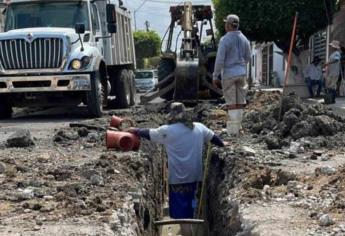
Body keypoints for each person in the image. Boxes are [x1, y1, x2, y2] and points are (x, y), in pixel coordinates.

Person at [129, 102, 225, 236]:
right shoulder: (199, 127)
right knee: (191, 205)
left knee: (182, 215)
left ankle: (187, 233)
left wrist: (135, 130)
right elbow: (215, 139)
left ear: (172, 116)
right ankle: (191, 229)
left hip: (178, 180)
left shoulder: (167, 131)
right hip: (196, 177)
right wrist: (224, 145)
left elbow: (149, 133)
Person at [212, 14, 251, 135]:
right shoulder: (245, 39)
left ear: (228, 25)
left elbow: (219, 60)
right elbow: (248, 57)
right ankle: (238, 128)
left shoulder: (225, 39)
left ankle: (233, 132)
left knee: (232, 104)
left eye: (225, 23)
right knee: (240, 102)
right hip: (241, 73)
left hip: (229, 74)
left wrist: (215, 75)